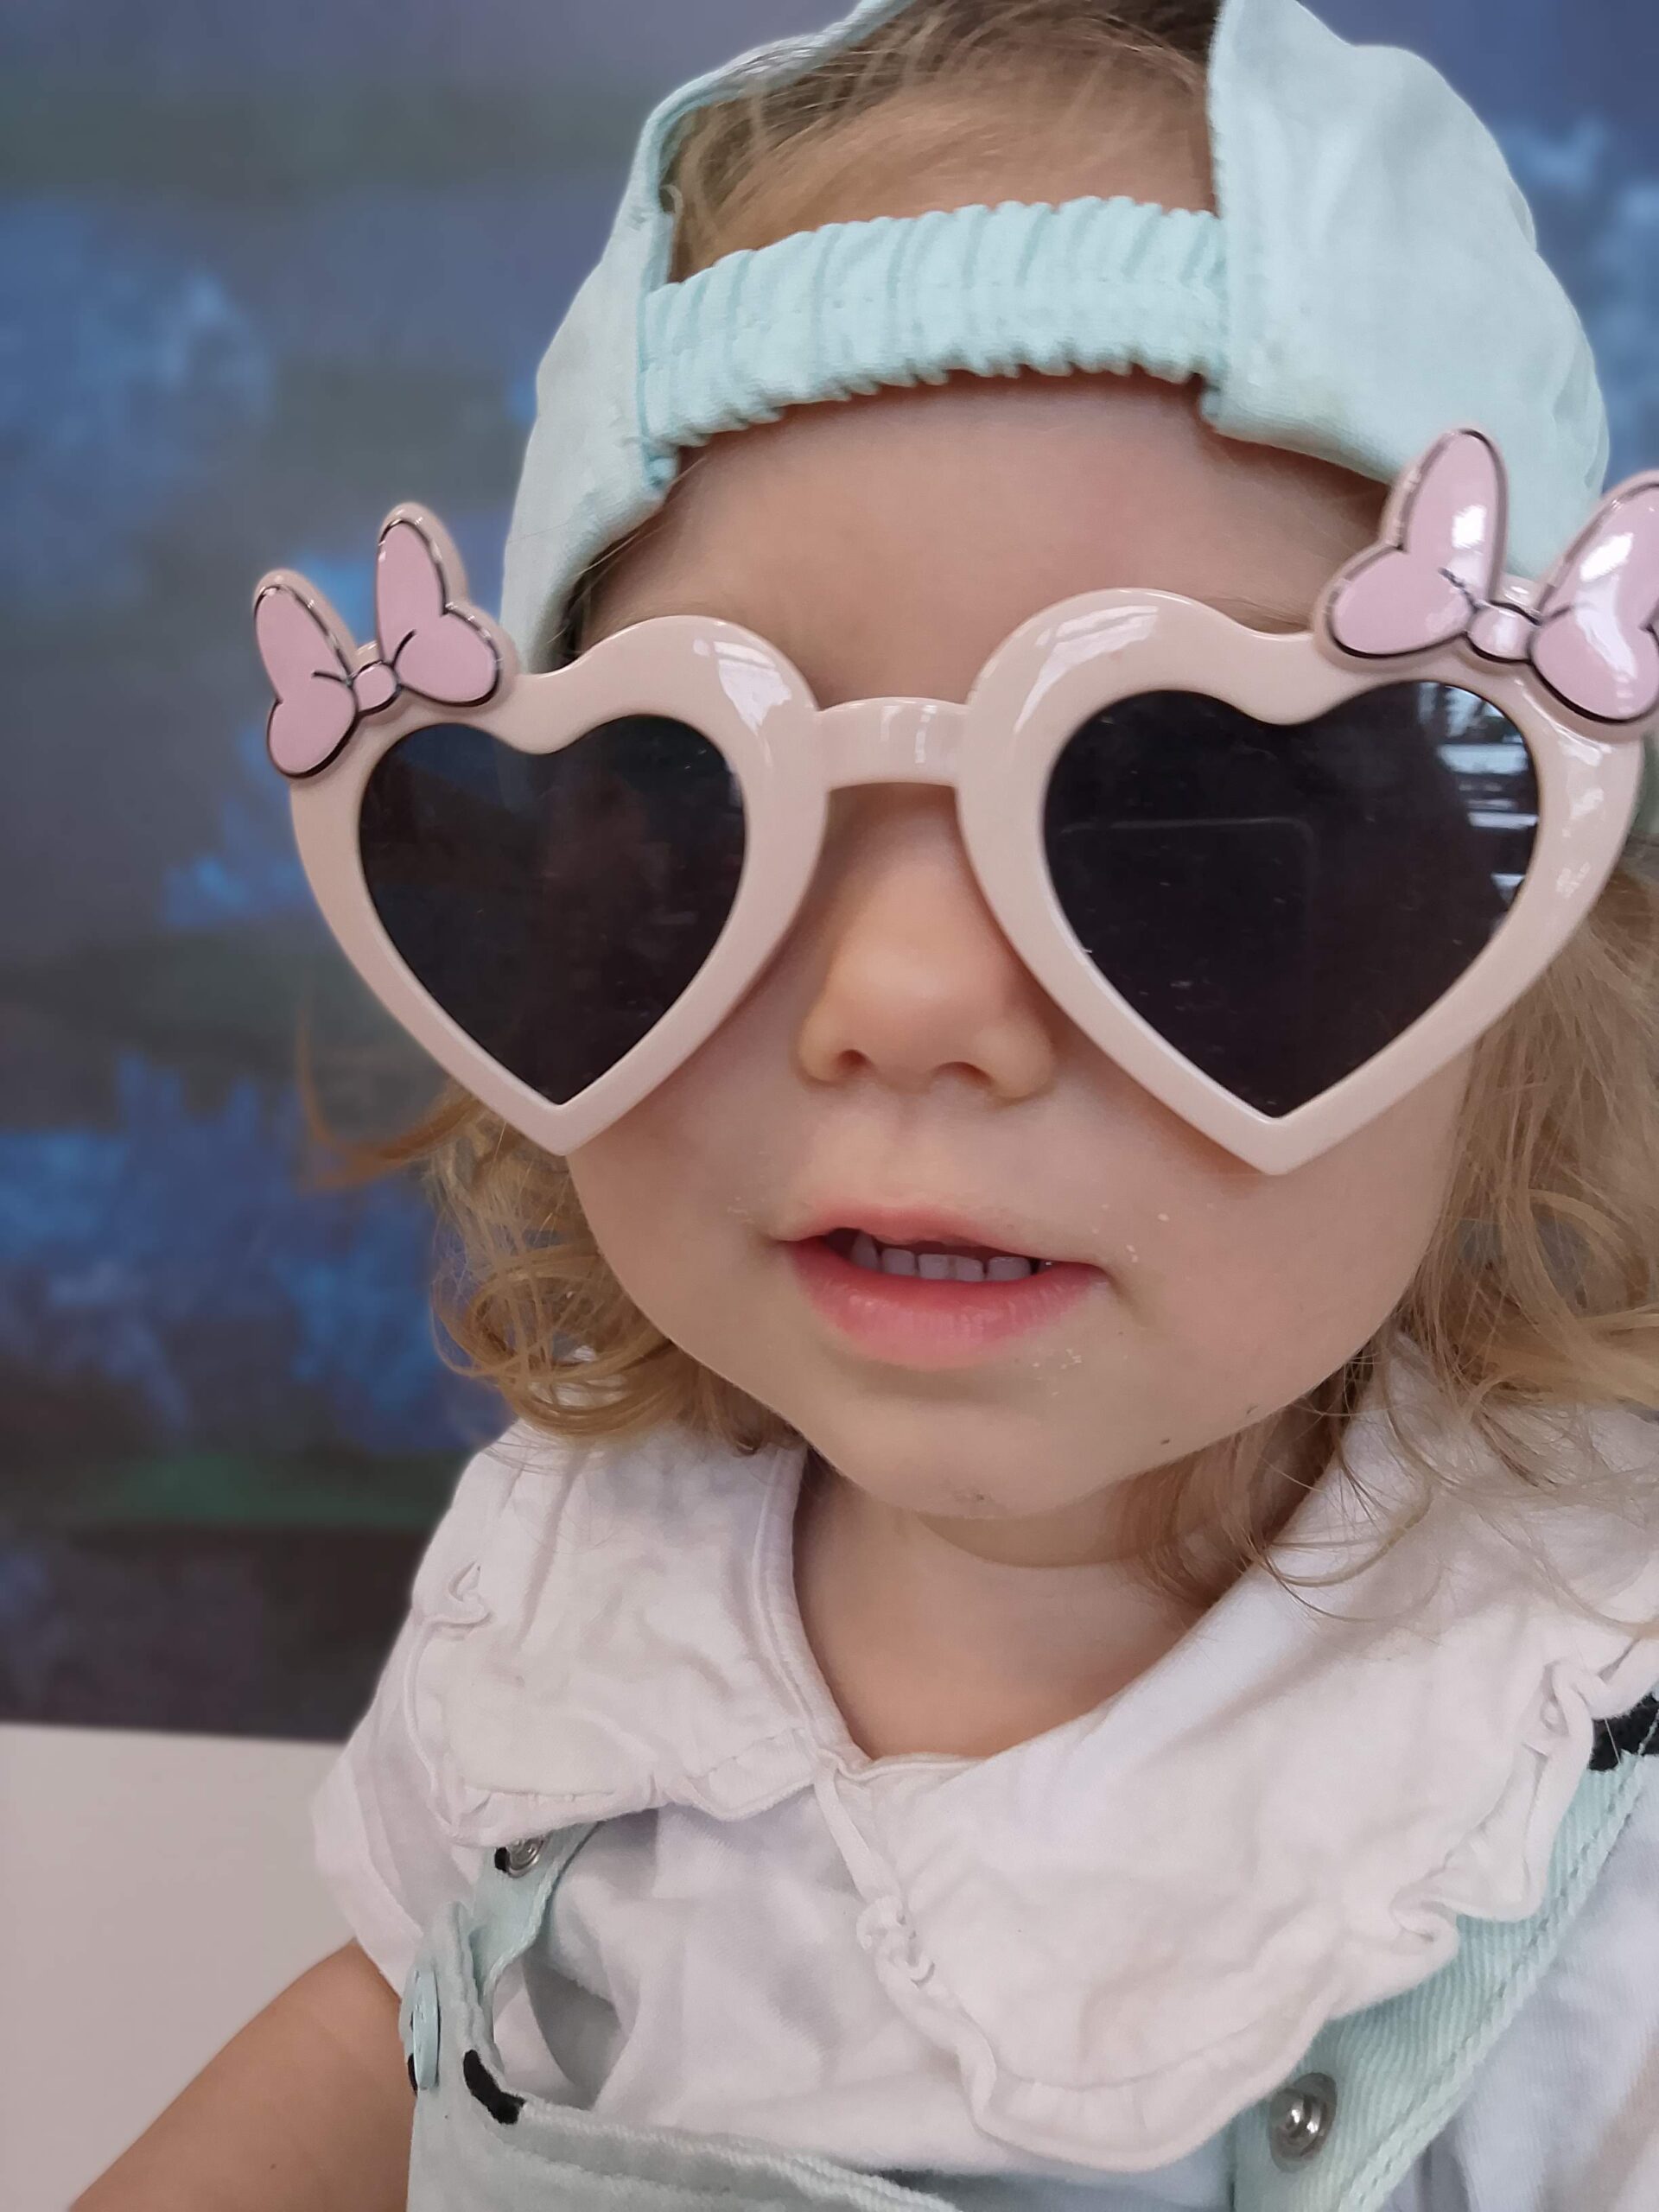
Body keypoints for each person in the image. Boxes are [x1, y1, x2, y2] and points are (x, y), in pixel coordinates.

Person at [79, 1, 1659, 2207]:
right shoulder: (569, 1598)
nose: (903, 1003)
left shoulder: (1564, 1795)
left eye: (1185, 828)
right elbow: (383, 2016)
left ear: (1520, 1010)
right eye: (699, 814)